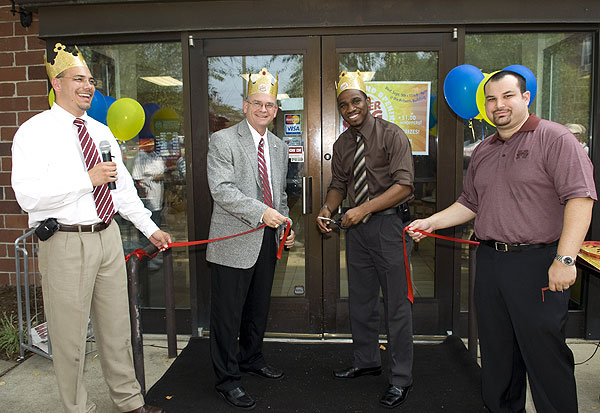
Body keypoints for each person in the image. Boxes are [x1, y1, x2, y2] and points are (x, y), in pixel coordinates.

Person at [408, 70, 596, 412]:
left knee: (544, 357)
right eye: (491, 99)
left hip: (539, 264)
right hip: (492, 262)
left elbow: (580, 199)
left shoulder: (555, 139)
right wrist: (430, 221)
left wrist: (566, 259)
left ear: (526, 98)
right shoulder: (484, 150)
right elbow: (470, 203)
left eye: (507, 96)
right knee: (498, 355)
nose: (499, 105)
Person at [11, 43, 171, 413]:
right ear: (57, 83)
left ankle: (130, 402)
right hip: (65, 242)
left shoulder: (101, 131)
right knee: (69, 338)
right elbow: (29, 198)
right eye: (78, 79)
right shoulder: (34, 132)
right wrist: (87, 179)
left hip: (107, 237)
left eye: (91, 80)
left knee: (117, 329)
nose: (88, 87)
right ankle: (77, 408)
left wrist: (150, 229)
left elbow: (124, 190)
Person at [317, 70, 415, 409]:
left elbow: (404, 187)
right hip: (356, 231)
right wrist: (327, 209)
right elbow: (338, 186)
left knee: (397, 307)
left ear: (368, 103)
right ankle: (367, 360)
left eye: (355, 102)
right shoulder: (342, 144)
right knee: (361, 300)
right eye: (343, 105)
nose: (350, 109)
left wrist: (364, 209)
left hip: (390, 229)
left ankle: (401, 378)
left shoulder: (392, 136)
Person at [206, 67, 295, 410]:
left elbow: (279, 194)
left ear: (275, 110)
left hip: (267, 241)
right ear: (244, 106)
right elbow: (222, 191)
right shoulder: (223, 140)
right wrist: (263, 213)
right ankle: (227, 380)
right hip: (232, 242)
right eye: (257, 103)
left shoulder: (279, 146)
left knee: (257, 309)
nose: (263, 109)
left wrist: (285, 225)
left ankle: (251, 358)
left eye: (269, 105)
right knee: (228, 316)